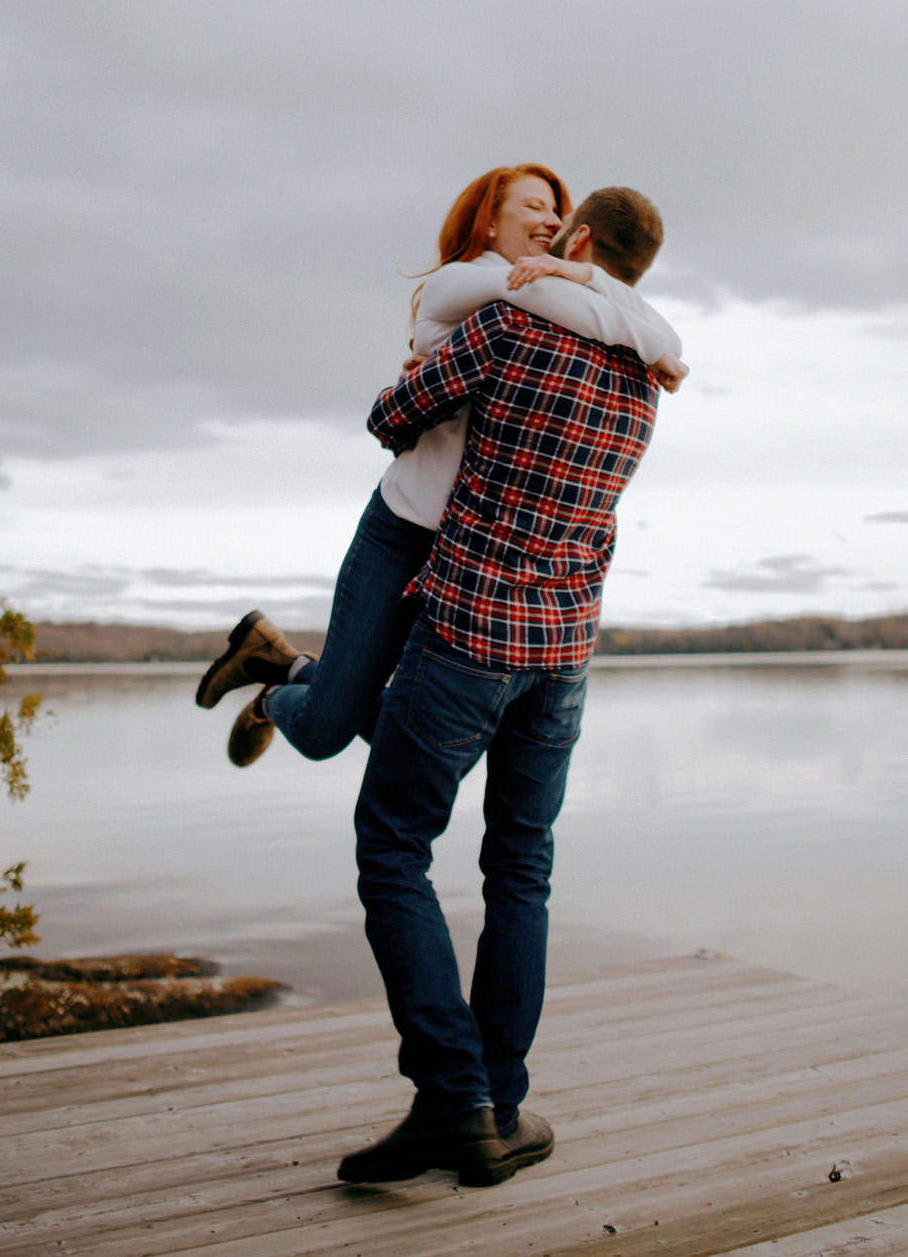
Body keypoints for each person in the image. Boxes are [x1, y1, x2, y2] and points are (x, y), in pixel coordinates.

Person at [335, 187, 669, 1187]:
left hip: (468, 635)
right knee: (520, 870)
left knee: (394, 848)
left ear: (573, 244)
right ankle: (504, 1108)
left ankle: (452, 1100)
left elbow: (388, 418)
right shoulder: (648, 377)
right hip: (563, 656)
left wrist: (430, 374)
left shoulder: (509, 327)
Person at [195, 169, 686, 767]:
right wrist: (637, 329)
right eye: (533, 206)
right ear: (489, 220)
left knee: (441, 736)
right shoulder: (473, 282)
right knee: (327, 732)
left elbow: (656, 329)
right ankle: (277, 689)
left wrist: (595, 286)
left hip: (474, 555)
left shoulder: (564, 295)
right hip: (405, 533)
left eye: (558, 211)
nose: (552, 222)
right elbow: (642, 327)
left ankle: (280, 661)